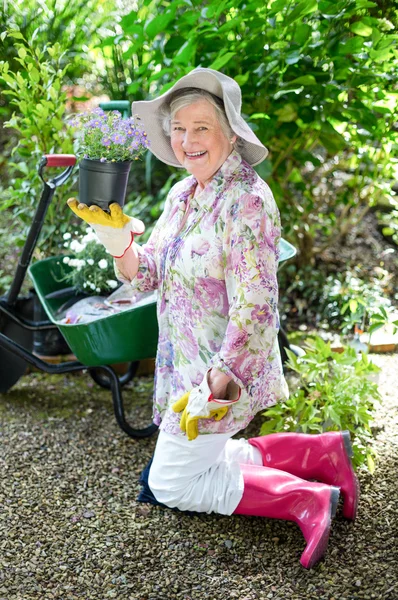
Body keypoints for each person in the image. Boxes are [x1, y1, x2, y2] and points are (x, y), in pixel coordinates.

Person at [67, 67, 359, 569]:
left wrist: (220, 378)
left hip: (222, 371)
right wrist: (119, 244)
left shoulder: (247, 199)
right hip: (184, 365)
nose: (186, 140)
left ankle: (303, 499)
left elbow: (257, 301)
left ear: (230, 132)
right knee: (198, 460)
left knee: (171, 483)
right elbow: (149, 273)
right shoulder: (184, 194)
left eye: (201, 127)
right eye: (179, 129)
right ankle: (322, 453)